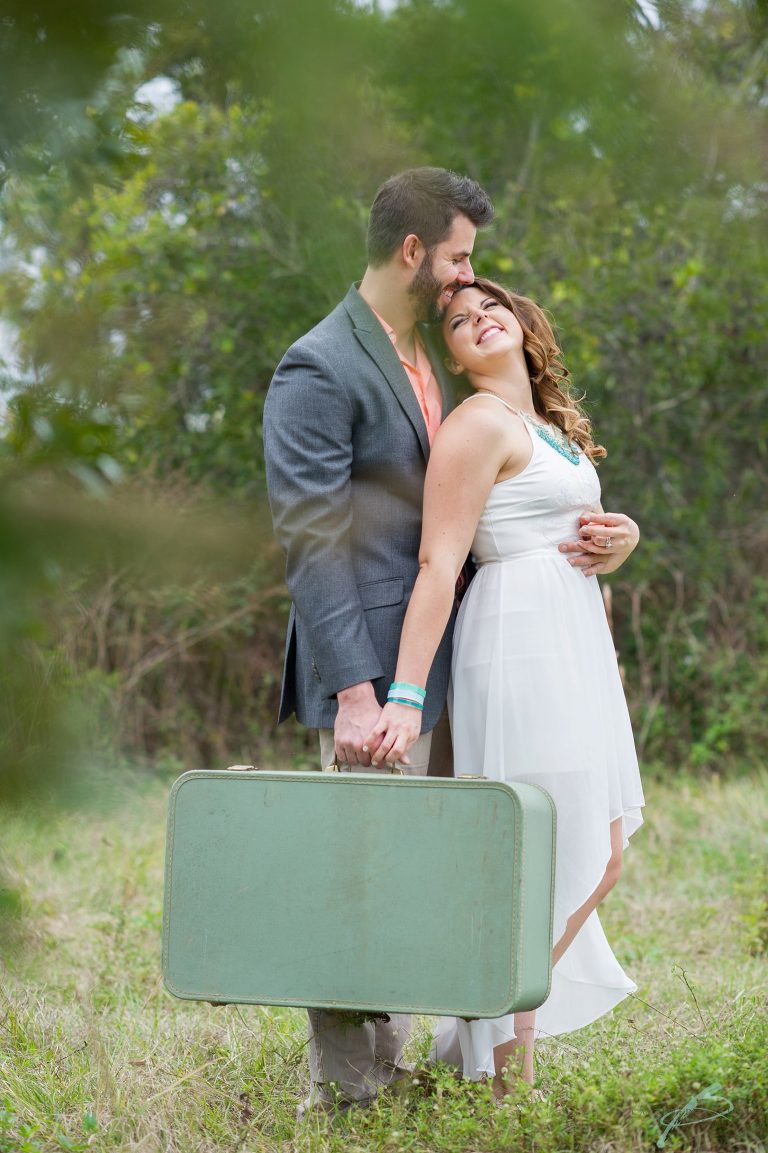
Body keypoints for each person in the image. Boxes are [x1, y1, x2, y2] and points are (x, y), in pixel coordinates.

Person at [364, 277, 646, 1097]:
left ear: (524, 326)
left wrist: (621, 538)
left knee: (597, 851)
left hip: (574, 642)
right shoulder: (476, 423)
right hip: (519, 639)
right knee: (549, 853)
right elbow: (439, 562)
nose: (478, 319)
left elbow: (575, 531)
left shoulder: (546, 427)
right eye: (457, 319)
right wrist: (406, 696)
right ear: (452, 352)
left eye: (491, 307)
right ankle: (498, 1053)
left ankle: (485, 1038)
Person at [262, 168, 495, 1116]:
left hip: (432, 668)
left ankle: (392, 1069)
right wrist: (355, 689)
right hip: (368, 673)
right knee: (356, 875)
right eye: (460, 257)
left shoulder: (416, 357)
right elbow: (312, 535)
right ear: (414, 253)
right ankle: (350, 1094)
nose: (467, 275)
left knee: (408, 870)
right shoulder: (320, 365)